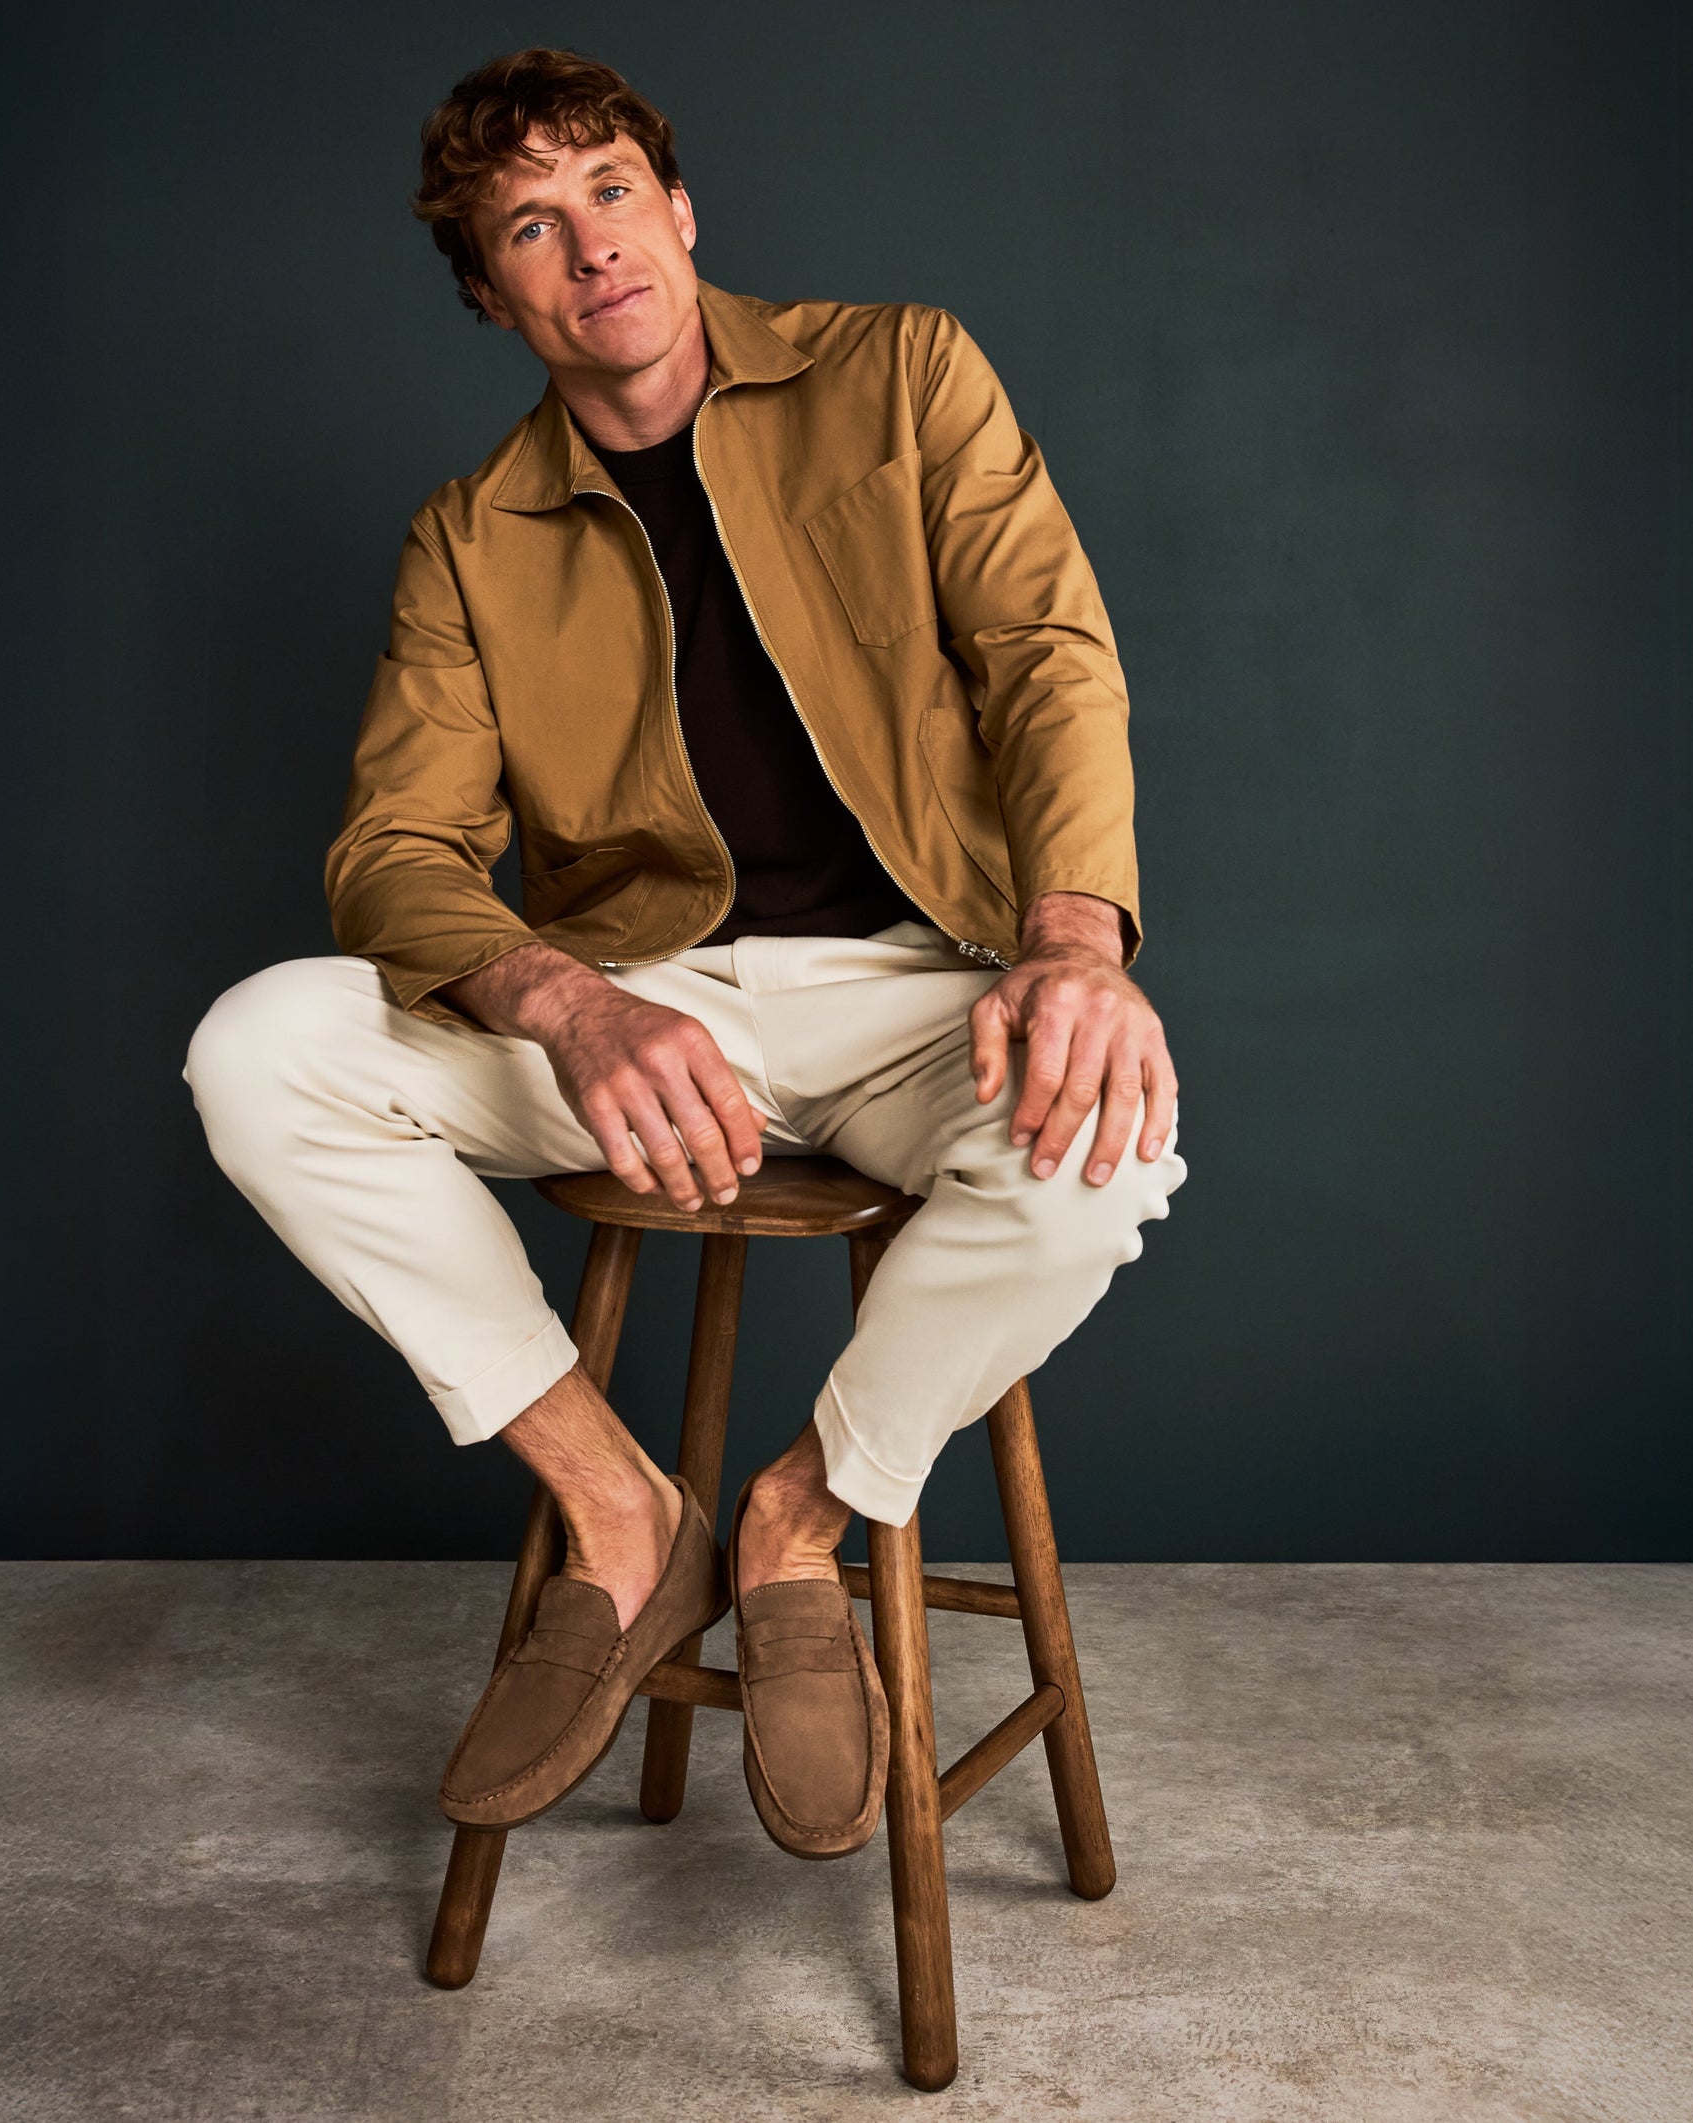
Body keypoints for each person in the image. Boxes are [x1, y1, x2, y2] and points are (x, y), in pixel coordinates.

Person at [182, 45, 1187, 1862]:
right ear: (494, 298)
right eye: (532, 230)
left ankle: (798, 1523)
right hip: (633, 1013)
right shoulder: (470, 539)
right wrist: (564, 1003)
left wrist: (1072, 940)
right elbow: (393, 852)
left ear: (681, 205)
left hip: (920, 981)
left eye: (614, 194)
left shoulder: (902, 374)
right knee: (258, 1045)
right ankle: (625, 1517)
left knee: (1099, 1162)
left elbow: (1047, 650)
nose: (593, 252)